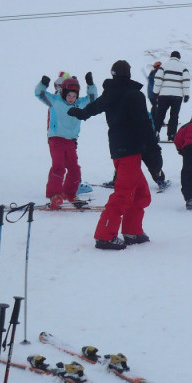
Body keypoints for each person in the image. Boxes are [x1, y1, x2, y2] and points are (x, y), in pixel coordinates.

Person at [68, 60, 159, 250]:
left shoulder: (111, 93)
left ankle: (132, 231)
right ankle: (105, 236)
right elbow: (144, 125)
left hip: (121, 150)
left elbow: (93, 108)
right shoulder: (133, 95)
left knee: (141, 193)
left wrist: (81, 113)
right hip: (130, 151)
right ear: (129, 74)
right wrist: (154, 153)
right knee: (124, 195)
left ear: (113, 74)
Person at [35, 72, 98, 209]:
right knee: (58, 166)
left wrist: (90, 84)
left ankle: (70, 193)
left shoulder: (80, 104)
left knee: (74, 168)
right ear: (63, 93)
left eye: (74, 96)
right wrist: (43, 84)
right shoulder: (55, 101)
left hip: (70, 141)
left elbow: (93, 98)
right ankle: (54, 195)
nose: (71, 98)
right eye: (69, 95)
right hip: (56, 139)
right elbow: (39, 94)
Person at [152, 50, 190, 141]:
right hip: (177, 96)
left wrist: (155, 92)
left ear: (171, 56)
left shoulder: (164, 66)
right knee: (174, 115)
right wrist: (186, 94)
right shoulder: (183, 67)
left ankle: (156, 132)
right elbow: (186, 82)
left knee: (160, 114)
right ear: (179, 58)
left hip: (164, 95)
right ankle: (172, 135)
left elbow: (158, 79)